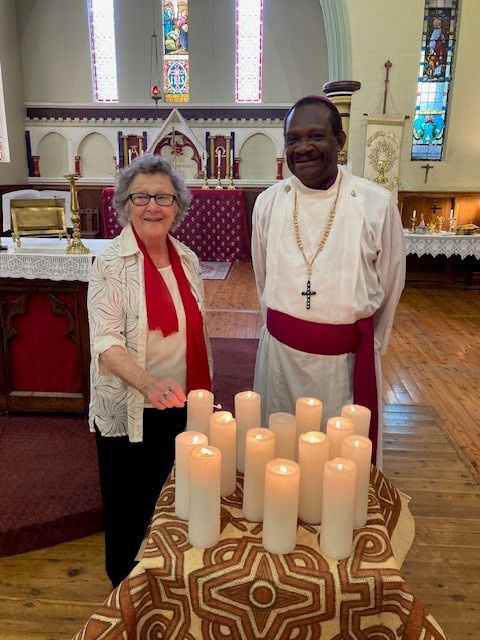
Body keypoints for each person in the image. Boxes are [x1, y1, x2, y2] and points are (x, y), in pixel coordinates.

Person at [251, 95, 405, 469]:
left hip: (343, 366)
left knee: (337, 467)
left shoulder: (375, 203)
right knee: (278, 461)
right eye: (293, 139)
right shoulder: (269, 203)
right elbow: (263, 279)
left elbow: (390, 283)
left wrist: (370, 345)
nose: (303, 148)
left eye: (316, 136)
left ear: (341, 140)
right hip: (279, 361)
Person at [88, 153, 212, 587]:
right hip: (130, 408)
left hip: (178, 405)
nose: (153, 207)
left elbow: (196, 335)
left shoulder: (188, 259)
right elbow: (105, 344)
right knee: (128, 507)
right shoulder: (110, 264)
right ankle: (124, 590)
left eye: (163, 197)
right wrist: (146, 382)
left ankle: (165, 585)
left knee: (173, 500)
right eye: (141, 197)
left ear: (178, 205)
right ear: (125, 204)